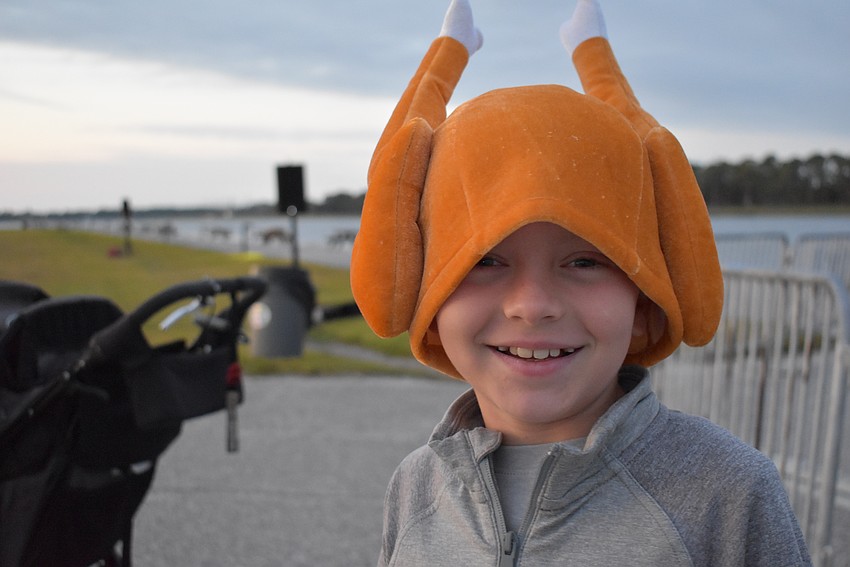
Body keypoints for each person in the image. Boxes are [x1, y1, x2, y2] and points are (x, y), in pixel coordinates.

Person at [350, 1, 811, 565]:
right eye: (484, 262)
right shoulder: (416, 486)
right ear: (426, 294)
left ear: (645, 299)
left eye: (585, 262)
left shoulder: (726, 495)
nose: (533, 305)